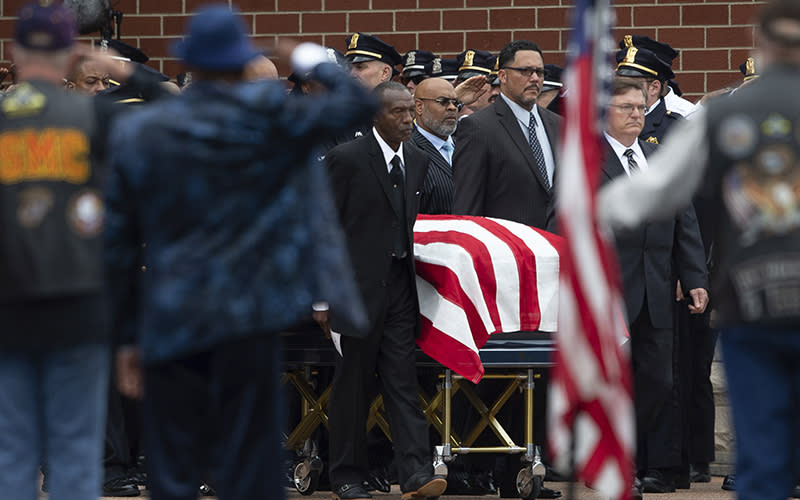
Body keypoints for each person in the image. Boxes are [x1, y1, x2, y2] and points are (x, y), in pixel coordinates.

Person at [106, 5, 375, 500]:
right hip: (249, 313)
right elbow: (357, 105)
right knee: (250, 461)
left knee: (173, 462)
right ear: (242, 62)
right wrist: (307, 57)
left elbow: (118, 245)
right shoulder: (272, 120)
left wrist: (125, 338)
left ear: (191, 64)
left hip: (171, 315)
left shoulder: (144, 130)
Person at [598, 2, 800, 500]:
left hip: (752, 296)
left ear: (762, 44)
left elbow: (660, 192)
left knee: (762, 449)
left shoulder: (725, 112)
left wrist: (596, 207)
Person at [0, 3, 163, 500]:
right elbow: (175, 105)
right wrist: (125, 69)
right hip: (80, 300)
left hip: (8, 301)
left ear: (14, 53)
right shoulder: (95, 113)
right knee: (76, 439)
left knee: (13, 444)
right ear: (71, 54)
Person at [318, 81, 445, 500]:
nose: (409, 120)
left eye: (411, 111)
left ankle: (415, 473)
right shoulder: (346, 159)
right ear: (375, 116)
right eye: (399, 113)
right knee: (353, 385)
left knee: (402, 380)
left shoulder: (419, 160)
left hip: (399, 291)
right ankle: (346, 476)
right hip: (353, 292)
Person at [600, 77, 709, 494]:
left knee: (660, 383)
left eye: (640, 107)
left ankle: (627, 452)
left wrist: (695, 276)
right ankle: (619, 464)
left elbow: (686, 221)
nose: (636, 114)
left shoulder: (655, 157)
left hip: (659, 291)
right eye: (626, 107)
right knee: (614, 383)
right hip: (611, 292)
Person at [453, 39, 561, 232]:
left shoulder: (558, 125)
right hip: (509, 253)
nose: (535, 78)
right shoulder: (478, 128)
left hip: (558, 249)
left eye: (539, 72)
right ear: (502, 75)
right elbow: (466, 209)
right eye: (525, 71)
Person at [615, 35, 683, 144]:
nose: (624, 88)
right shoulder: (609, 119)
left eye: (632, 84)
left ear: (654, 88)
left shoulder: (677, 127)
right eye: (621, 81)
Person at [412, 77, 459, 215]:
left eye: (455, 103)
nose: (452, 107)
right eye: (442, 102)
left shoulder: (466, 146)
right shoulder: (407, 150)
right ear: (419, 107)